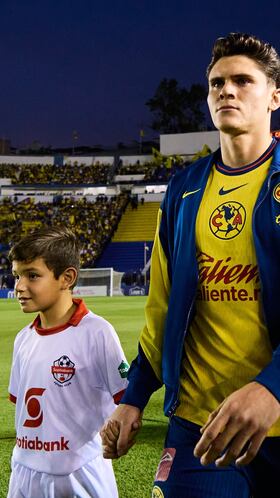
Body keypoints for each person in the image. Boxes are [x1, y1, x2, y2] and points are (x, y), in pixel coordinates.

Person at [100, 32, 280, 498]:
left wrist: (272, 388)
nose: (228, 90)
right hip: (201, 428)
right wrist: (135, 396)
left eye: (243, 80)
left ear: (274, 96)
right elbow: (161, 311)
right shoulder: (183, 190)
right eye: (217, 82)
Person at [7, 225, 129, 498]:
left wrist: (118, 432)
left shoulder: (97, 332)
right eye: (16, 276)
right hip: (24, 469)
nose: (19, 287)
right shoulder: (23, 339)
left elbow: (126, 398)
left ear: (67, 277)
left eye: (32, 276)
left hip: (79, 471)